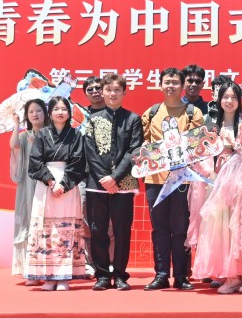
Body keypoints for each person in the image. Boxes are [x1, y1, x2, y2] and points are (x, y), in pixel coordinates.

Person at [192, 83, 242, 294]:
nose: (229, 101)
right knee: (222, 230)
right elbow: (203, 154)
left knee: (241, 229)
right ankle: (232, 276)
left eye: (233, 97)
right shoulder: (213, 125)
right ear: (218, 99)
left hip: (240, 187)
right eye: (225, 97)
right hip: (218, 183)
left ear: (239, 100)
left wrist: (235, 145)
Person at [142, 68, 204, 291]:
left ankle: (181, 275)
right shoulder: (151, 113)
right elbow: (143, 145)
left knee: (180, 229)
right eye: (167, 82)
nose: (170, 86)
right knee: (159, 229)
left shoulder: (193, 113)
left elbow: (197, 146)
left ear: (182, 86)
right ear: (160, 85)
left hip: (182, 180)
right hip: (155, 179)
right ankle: (160, 275)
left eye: (175, 82)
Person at [84, 74, 144, 291]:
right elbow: (89, 151)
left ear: (124, 92)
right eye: (108, 89)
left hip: (124, 183)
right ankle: (101, 275)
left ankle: (119, 274)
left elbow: (134, 150)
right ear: (103, 92)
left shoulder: (133, 119)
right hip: (97, 183)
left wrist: (115, 177)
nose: (112, 94)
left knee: (122, 230)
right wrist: (105, 179)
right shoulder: (92, 119)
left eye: (117, 90)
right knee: (97, 229)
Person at [23, 96, 86, 291]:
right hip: (46, 184)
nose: (60, 112)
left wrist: (64, 185)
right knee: (47, 229)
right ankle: (48, 277)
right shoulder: (42, 134)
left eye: (64, 109)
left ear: (69, 113)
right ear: (50, 113)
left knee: (66, 228)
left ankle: (64, 277)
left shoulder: (76, 135)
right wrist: (51, 181)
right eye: (56, 109)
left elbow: (78, 162)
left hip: (68, 184)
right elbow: (35, 161)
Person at [10, 98, 47, 286]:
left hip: (46, 184)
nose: (35, 114)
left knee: (45, 225)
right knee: (29, 223)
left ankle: (47, 269)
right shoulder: (25, 136)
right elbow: (14, 146)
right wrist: (16, 125)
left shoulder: (50, 133)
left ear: (45, 113)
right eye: (31, 112)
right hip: (28, 185)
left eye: (38, 110)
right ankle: (31, 270)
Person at [80, 76, 113, 278]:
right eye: (90, 89)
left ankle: (111, 262)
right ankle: (89, 263)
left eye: (98, 87)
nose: (94, 91)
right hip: (85, 177)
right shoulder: (80, 116)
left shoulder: (114, 113)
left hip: (110, 177)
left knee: (110, 224)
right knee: (87, 224)